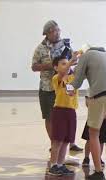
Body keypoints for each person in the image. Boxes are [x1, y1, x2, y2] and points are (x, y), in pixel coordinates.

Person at [68, 47, 106, 180]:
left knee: (93, 132)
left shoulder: (86, 55)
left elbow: (77, 80)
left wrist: (68, 88)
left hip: (100, 93)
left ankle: (99, 172)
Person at [31, 20, 82, 152]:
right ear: (47, 33)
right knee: (49, 116)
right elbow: (34, 66)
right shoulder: (40, 49)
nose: (58, 33)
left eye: (58, 30)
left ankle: (70, 143)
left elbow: (73, 61)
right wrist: (51, 66)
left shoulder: (65, 45)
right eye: (54, 31)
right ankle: (54, 143)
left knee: (68, 114)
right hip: (47, 87)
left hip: (65, 86)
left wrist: (75, 59)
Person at [48, 54, 78, 176]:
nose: (67, 65)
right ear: (56, 67)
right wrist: (71, 62)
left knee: (66, 141)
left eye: (67, 63)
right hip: (60, 111)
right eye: (63, 64)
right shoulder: (57, 77)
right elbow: (63, 73)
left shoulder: (74, 77)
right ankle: (53, 165)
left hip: (71, 111)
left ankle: (60, 164)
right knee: (58, 140)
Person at [82, 88, 106, 168]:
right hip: (93, 116)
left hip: (105, 118)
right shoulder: (91, 88)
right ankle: (86, 158)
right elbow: (88, 103)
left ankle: (98, 157)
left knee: (102, 140)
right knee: (89, 139)